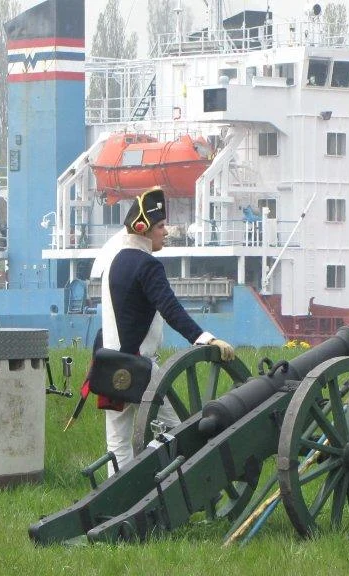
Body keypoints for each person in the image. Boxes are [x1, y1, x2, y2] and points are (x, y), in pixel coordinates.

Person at [92, 187, 234, 475]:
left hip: (110, 366)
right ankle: (177, 482)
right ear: (143, 229)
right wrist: (205, 338)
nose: (166, 231)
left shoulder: (116, 261)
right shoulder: (147, 265)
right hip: (140, 367)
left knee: (117, 443)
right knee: (177, 431)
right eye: (160, 226)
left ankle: (116, 499)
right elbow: (171, 309)